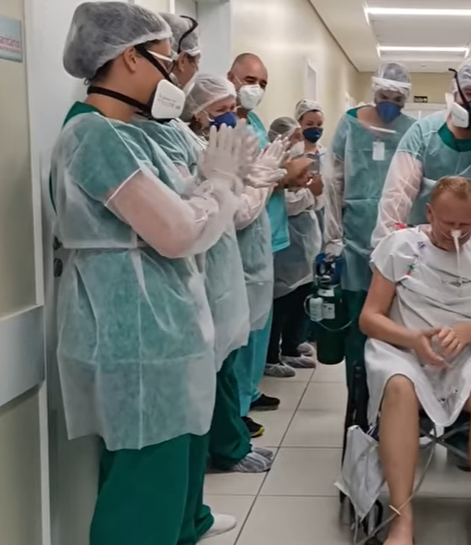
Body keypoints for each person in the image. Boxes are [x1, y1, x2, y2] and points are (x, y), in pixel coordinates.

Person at [52, 3, 244, 542]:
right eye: (166, 58)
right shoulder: (93, 137)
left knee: (170, 484)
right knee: (142, 497)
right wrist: (219, 185)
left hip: (166, 331)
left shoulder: (132, 133)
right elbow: (178, 231)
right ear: (130, 58)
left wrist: (213, 183)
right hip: (137, 339)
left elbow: (177, 215)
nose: (173, 72)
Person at [137, 11, 278, 475]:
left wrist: (247, 179)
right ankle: (229, 447)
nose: (192, 64)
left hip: (209, 270)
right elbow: (219, 210)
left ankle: (221, 456)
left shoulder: (180, 135)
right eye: (187, 57)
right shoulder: (131, 135)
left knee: (220, 369)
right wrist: (250, 185)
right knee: (209, 376)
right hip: (186, 273)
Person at [359, 176, 471, 545]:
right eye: (447, 223)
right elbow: (370, 318)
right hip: (404, 349)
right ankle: (402, 520)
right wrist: (412, 339)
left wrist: (467, 332)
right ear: (429, 212)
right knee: (399, 386)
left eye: (466, 225)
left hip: (470, 352)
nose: (456, 233)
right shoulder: (400, 246)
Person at [178, 73, 285, 472]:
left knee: (226, 362)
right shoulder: (190, 146)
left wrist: (250, 177)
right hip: (208, 272)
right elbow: (234, 213)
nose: (230, 118)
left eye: (231, 110)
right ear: (197, 111)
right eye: (221, 111)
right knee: (218, 367)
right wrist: (258, 184)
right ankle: (229, 446)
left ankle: (232, 442)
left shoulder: (206, 144)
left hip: (226, 268)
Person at [227, 53, 314, 419]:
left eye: (262, 84)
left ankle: (248, 391)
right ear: (230, 77)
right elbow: (246, 180)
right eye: (249, 80)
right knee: (242, 329)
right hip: (244, 236)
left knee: (260, 322)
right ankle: (237, 407)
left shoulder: (256, 121)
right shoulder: (227, 124)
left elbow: (264, 168)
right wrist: (284, 175)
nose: (255, 89)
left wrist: (285, 173)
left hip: (268, 229)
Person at [370, 56, 471, 248]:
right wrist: (386, 247)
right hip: (423, 245)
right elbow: (396, 197)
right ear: (456, 90)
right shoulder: (423, 133)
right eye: (470, 93)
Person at [325, 62, 416, 386]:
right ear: (374, 92)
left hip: (398, 237)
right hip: (354, 237)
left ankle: (393, 394)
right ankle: (359, 397)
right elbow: (333, 181)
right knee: (358, 322)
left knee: (396, 323)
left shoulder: (412, 128)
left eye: (397, 97)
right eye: (385, 94)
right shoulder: (350, 123)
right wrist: (333, 235)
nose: (390, 102)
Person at [266, 106, 325, 377]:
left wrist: (310, 192)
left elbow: (316, 197)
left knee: (300, 296)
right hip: (287, 244)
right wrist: (308, 192)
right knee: (282, 302)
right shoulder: (273, 167)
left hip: (304, 242)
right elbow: (286, 204)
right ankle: (271, 356)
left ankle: (291, 346)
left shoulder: (300, 161)